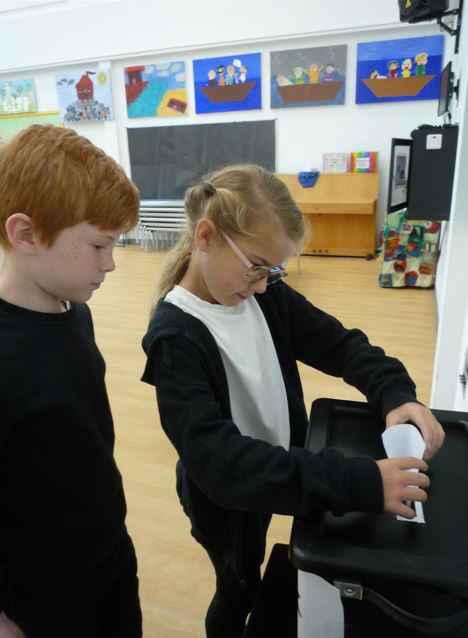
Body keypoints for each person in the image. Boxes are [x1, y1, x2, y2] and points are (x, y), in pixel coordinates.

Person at [141, 164, 445, 638]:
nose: (263, 284)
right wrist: (359, 482)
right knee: (238, 586)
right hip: (228, 503)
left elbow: (339, 343)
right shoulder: (175, 340)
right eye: (257, 266)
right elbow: (223, 465)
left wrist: (393, 391)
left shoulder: (263, 294)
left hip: (280, 469)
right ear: (206, 235)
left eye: (274, 270)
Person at [0, 124, 142, 638]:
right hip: (40, 590)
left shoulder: (73, 311)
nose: (110, 265)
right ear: (26, 234)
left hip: (106, 551)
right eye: (99, 246)